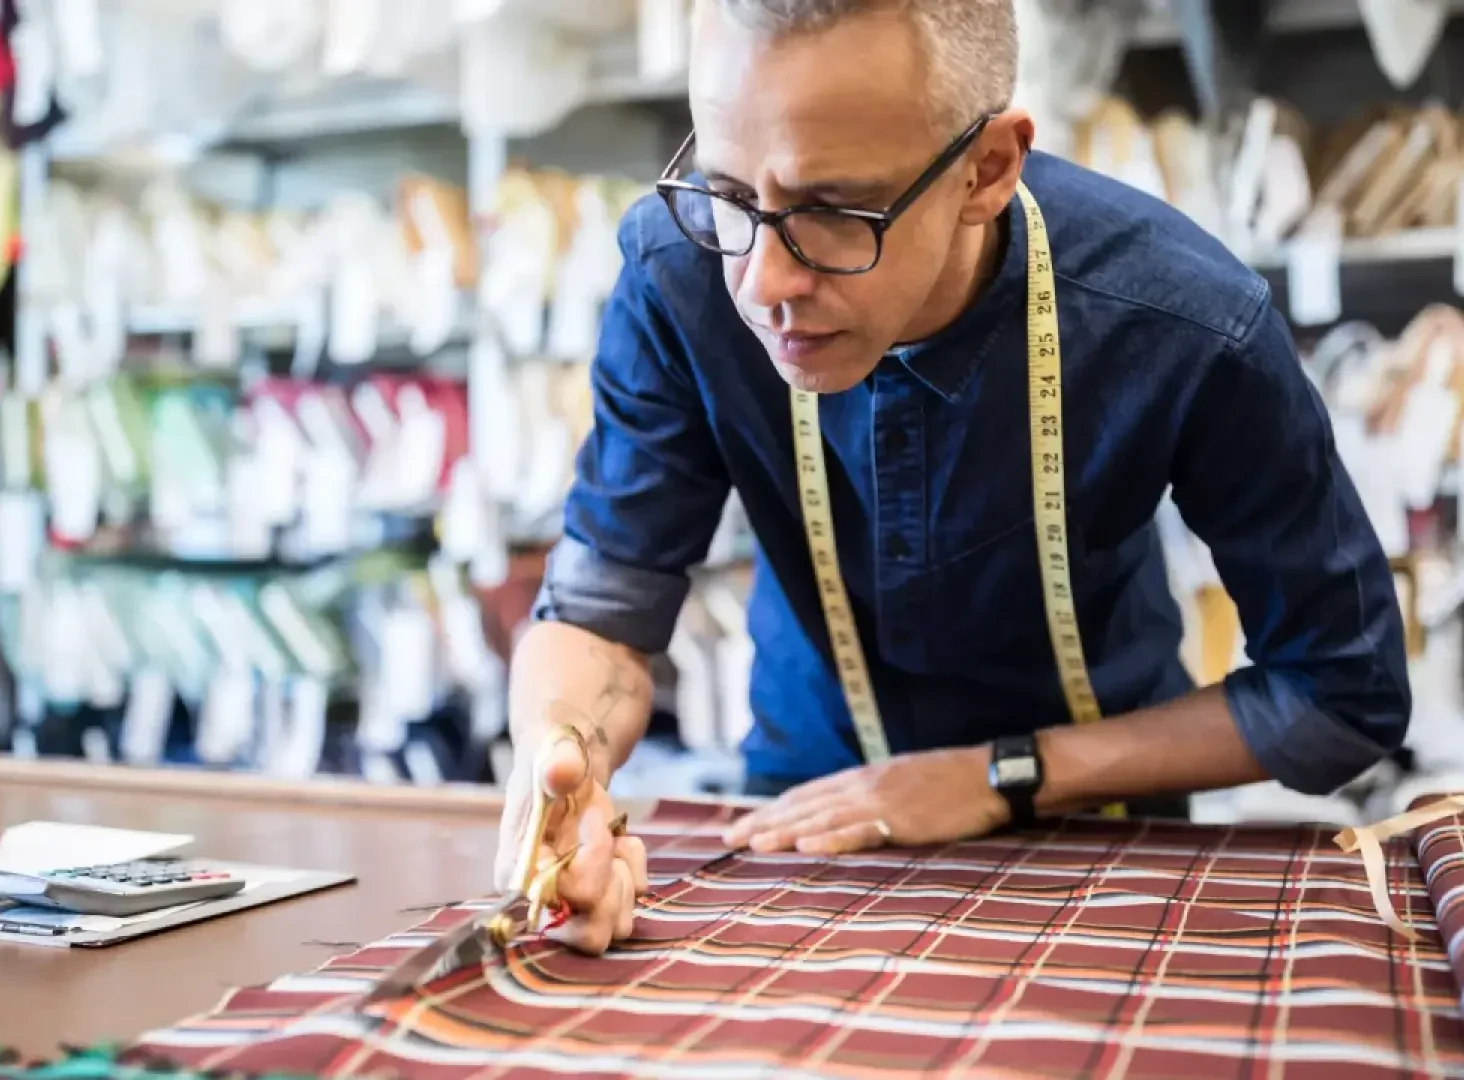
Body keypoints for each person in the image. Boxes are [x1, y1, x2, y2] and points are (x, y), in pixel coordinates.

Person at [494, 0, 1410, 956]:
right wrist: (565, 770)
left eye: (832, 212)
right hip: (804, 821)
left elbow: (1343, 694)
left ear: (987, 171)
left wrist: (998, 775)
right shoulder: (680, 269)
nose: (763, 281)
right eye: (727, 192)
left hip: (1103, 838)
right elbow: (601, 607)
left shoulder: (1181, 321)